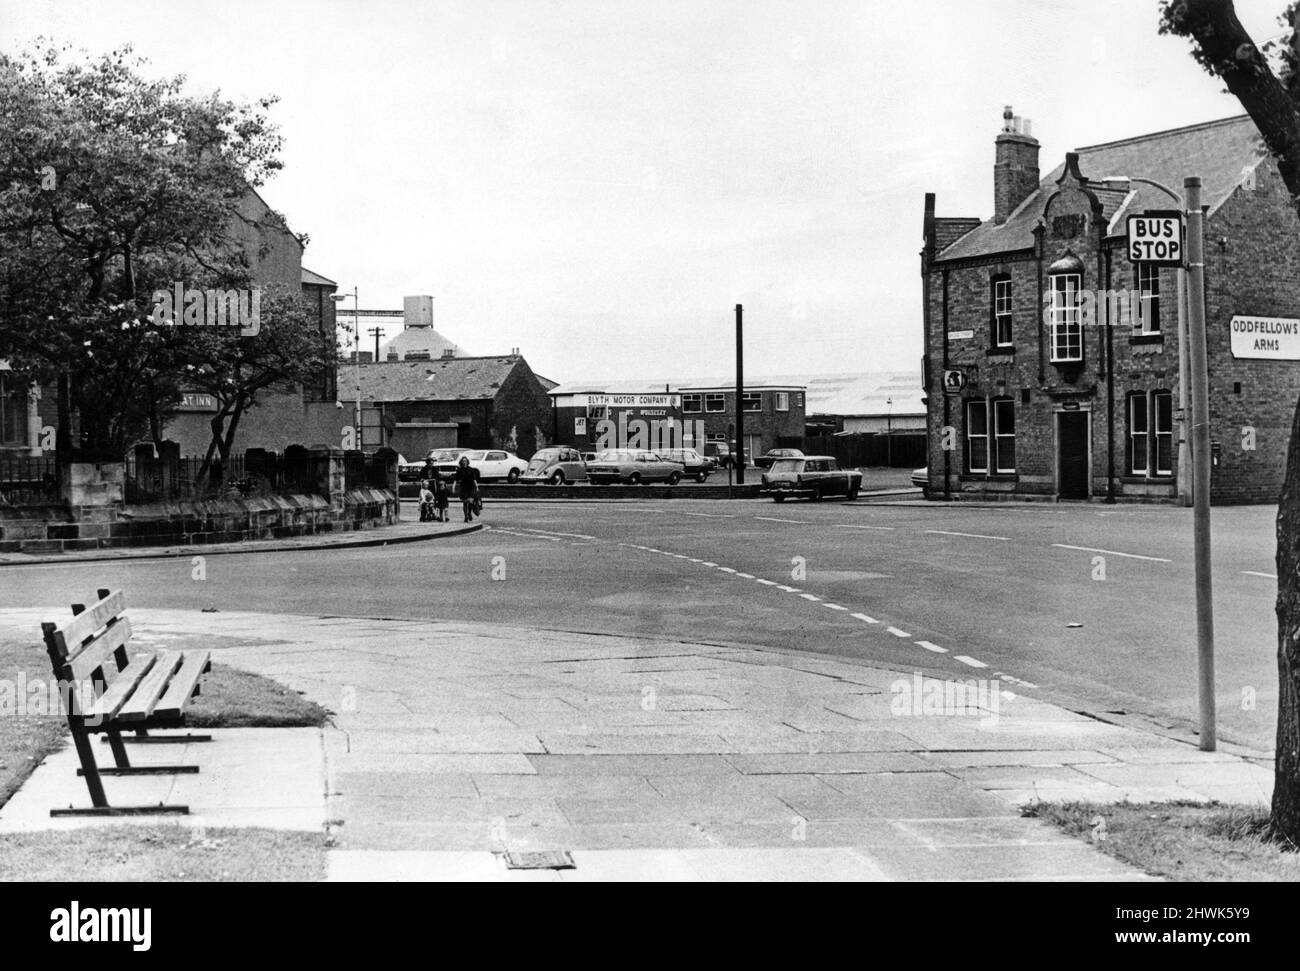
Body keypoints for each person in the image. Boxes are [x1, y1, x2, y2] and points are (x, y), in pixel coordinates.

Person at [453, 455, 481, 523]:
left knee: (471, 502)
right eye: (463, 461)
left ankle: (469, 512)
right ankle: (466, 516)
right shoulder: (459, 470)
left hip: (471, 487)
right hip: (463, 487)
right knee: (465, 503)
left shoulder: (471, 469)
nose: (464, 462)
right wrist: (453, 487)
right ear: (461, 462)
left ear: (467, 462)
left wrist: (477, 487)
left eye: (465, 461)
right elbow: (455, 480)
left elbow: (474, 479)